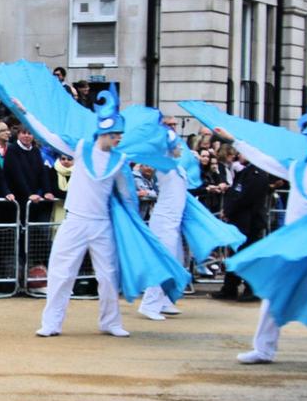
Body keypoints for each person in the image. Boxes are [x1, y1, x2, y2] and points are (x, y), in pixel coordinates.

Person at [215, 104, 307, 372]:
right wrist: (234, 140)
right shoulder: (295, 169)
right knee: (273, 297)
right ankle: (263, 349)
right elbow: (263, 159)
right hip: (291, 246)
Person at [10, 93, 137, 338]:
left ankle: (110, 322)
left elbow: (127, 195)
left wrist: (132, 225)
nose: (120, 138)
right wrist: (26, 113)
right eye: (117, 134)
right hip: (75, 220)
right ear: (105, 133)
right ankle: (51, 323)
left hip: (102, 224)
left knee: (108, 276)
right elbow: (48, 136)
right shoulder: (81, 148)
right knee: (60, 272)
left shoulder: (120, 160)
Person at [138, 125, 190, 321]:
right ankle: (149, 305)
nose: (182, 148)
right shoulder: (163, 166)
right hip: (163, 221)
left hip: (173, 222)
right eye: (178, 144)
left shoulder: (177, 167)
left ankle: (165, 301)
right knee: (164, 263)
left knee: (177, 262)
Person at [212, 151, 273, 302]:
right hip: (241, 221)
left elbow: (243, 198)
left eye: (242, 153)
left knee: (248, 256)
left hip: (249, 222)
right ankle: (230, 287)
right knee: (235, 254)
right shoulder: (247, 172)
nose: (239, 156)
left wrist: (228, 210)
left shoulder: (256, 174)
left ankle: (252, 289)